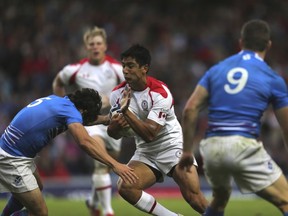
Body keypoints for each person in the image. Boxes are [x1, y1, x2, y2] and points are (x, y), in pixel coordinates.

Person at [178, 19, 288, 216]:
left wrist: (187, 151)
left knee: (219, 200)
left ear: (240, 42)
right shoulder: (273, 78)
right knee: (286, 201)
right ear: (268, 45)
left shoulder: (216, 70)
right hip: (242, 145)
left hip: (211, 148)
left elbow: (190, 109)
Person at [0, 88, 138, 216]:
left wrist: (107, 119)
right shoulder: (70, 112)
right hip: (12, 159)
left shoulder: (61, 102)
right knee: (40, 212)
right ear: (83, 111)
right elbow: (85, 141)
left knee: (36, 188)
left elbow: (81, 120)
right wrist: (115, 164)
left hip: (14, 151)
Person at [107, 44, 208, 216]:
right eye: (123, 65)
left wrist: (126, 111)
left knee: (194, 197)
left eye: (130, 65)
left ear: (144, 68)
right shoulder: (117, 94)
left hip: (172, 145)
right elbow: (113, 134)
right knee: (125, 186)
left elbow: (150, 134)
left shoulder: (160, 93)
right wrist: (115, 127)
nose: (125, 70)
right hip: (146, 152)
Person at [52, 26, 124, 216]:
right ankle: (108, 211)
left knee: (108, 167)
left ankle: (92, 201)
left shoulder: (117, 69)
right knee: (100, 164)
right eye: (91, 44)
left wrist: (117, 100)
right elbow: (58, 83)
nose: (95, 47)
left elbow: (130, 88)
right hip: (90, 123)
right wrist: (64, 111)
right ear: (86, 46)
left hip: (114, 122)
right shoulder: (75, 70)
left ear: (105, 46)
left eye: (98, 43)